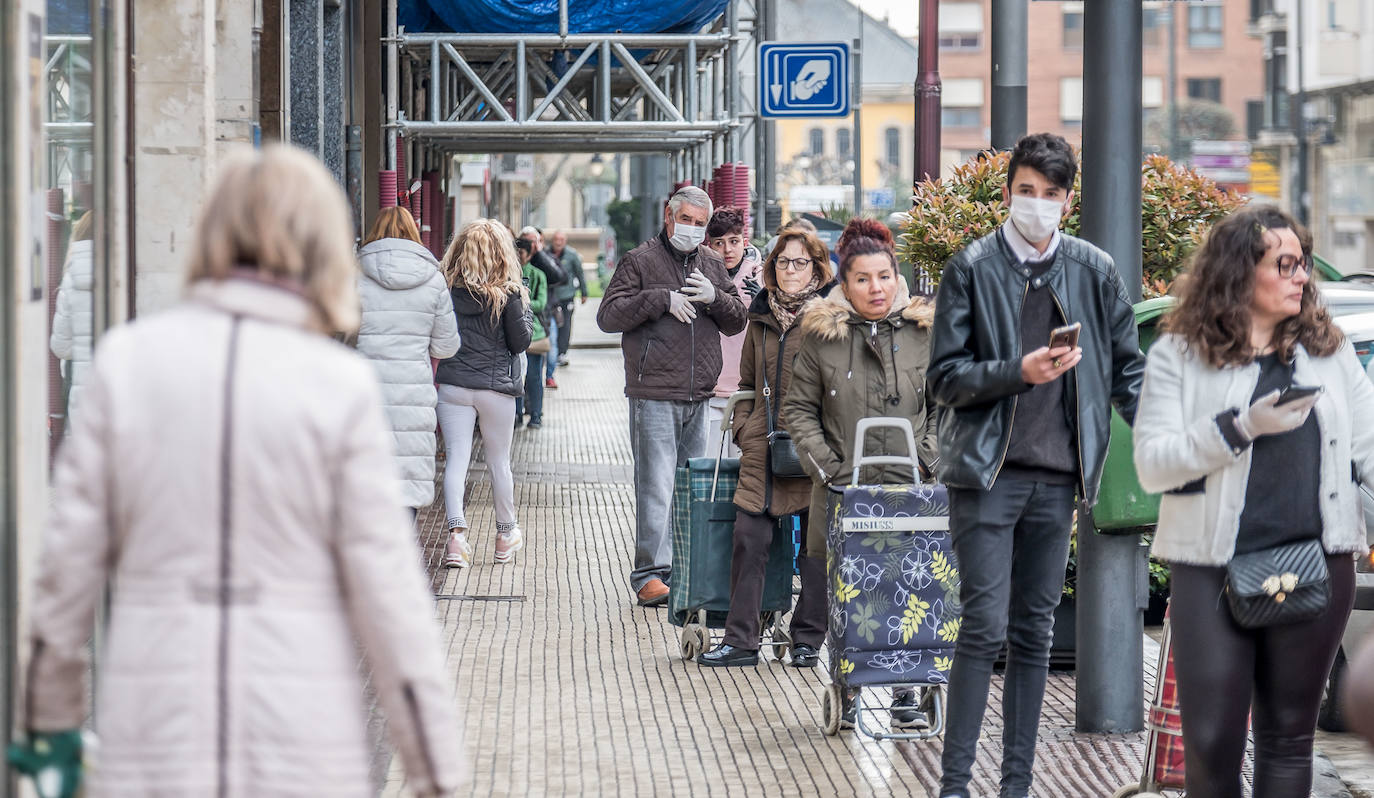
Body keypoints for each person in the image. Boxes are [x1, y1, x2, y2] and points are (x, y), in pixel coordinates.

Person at [15, 145, 465, 795]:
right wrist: (435, 772)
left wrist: (49, 728)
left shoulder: (127, 365)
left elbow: (64, 575)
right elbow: (390, 599)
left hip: (152, 731)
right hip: (303, 739)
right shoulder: (338, 387)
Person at [926, 132, 1145, 798]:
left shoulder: (1092, 269)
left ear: (1068, 201)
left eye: (1052, 195)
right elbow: (944, 378)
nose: (1039, 205)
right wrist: (1015, 373)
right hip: (988, 476)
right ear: (1007, 193)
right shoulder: (972, 266)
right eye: (1028, 192)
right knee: (984, 625)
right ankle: (955, 786)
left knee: (1034, 634)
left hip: (1057, 478)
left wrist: (1173, 441)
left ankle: (1016, 786)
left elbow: (1127, 372)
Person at [1133, 205, 1372, 798]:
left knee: (1289, 741)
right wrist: (1240, 427)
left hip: (1319, 563)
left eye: (1303, 264)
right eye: (1283, 264)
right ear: (1239, 272)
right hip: (1210, 569)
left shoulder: (1330, 350)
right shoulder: (1179, 355)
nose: (1300, 276)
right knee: (1211, 747)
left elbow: (1370, 444)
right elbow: (1152, 462)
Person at [781, 218, 939, 728]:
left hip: (913, 491)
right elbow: (798, 410)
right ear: (844, 286)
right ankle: (847, 689)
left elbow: (949, 405)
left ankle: (907, 694)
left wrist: (927, 457)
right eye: (864, 279)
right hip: (843, 491)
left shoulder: (924, 335)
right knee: (847, 592)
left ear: (898, 278)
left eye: (885, 276)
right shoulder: (822, 338)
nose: (877, 288)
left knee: (913, 590)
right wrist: (828, 468)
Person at [597, 186, 748, 606]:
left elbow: (737, 321)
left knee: (691, 485)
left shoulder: (713, 263)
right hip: (654, 391)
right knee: (656, 485)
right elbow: (608, 316)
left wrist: (716, 297)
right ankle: (649, 575)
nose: (694, 231)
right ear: (669, 217)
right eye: (688, 222)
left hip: (700, 392)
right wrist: (659, 299)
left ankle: (684, 568)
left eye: (701, 225)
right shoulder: (641, 260)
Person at [698, 225, 832, 668]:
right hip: (766, 446)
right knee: (748, 539)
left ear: (816, 267)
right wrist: (745, 430)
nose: (790, 270)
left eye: (800, 262)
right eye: (782, 262)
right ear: (771, 266)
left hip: (819, 449)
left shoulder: (833, 317)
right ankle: (741, 641)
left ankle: (809, 639)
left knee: (817, 549)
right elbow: (748, 383)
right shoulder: (761, 317)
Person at [436, 219, 533, 568]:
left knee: (457, 459)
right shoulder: (508, 295)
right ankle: (505, 536)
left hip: (453, 385)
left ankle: (455, 539)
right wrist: (522, 306)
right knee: (498, 462)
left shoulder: (445, 289)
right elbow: (521, 342)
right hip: (496, 389)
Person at [356, 206, 461, 515]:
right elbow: (446, 345)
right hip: (413, 395)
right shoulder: (433, 279)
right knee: (405, 487)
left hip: (363, 392)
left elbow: (339, 334)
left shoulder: (355, 276)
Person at [705, 206, 764, 460]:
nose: (728, 250)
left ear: (745, 242)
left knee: (743, 470)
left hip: (748, 391)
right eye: (719, 243)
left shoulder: (762, 279)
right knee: (707, 468)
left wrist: (765, 301)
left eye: (734, 241)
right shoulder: (700, 277)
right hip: (709, 391)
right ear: (709, 244)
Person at [50, 210, 95, 426]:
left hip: (83, 396)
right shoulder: (121, 272)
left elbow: (60, 346)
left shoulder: (69, 281)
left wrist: (83, 344)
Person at [518, 227, 564, 390]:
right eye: (526, 240)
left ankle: (549, 376)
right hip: (521, 319)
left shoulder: (546, 258)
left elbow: (558, 276)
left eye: (533, 241)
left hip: (544, 315)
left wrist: (539, 253)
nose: (529, 245)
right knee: (523, 369)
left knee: (547, 354)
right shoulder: (517, 261)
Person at [514, 235, 550, 429]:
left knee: (535, 377)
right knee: (516, 376)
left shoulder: (537, 275)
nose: (518, 256)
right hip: (514, 332)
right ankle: (516, 414)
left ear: (528, 255)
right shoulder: (508, 273)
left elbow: (541, 303)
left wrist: (520, 301)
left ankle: (536, 414)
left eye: (521, 252)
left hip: (534, 334)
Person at [548, 230, 588, 367]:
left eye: (561, 240)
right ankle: (549, 352)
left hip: (567, 296)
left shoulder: (572, 255)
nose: (558, 242)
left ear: (565, 241)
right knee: (550, 325)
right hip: (551, 296)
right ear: (553, 241)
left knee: (565, 325)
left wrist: (584, 292)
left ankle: (561, 353)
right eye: (556, 239)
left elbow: (580, 274)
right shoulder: (546, 253)